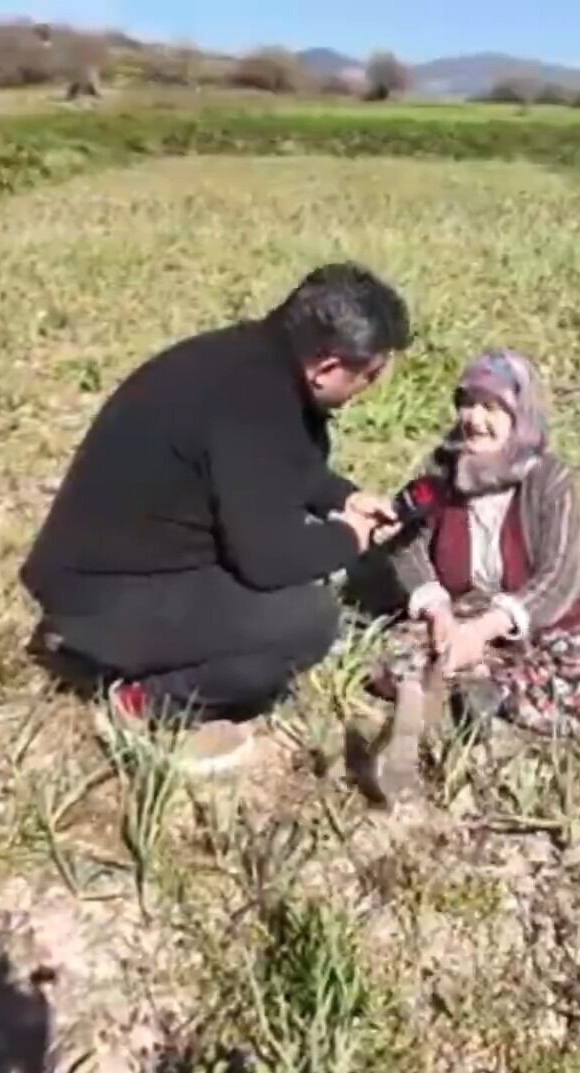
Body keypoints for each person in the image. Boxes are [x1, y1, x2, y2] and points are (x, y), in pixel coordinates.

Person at [21, 263, 410, 772]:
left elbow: (277, 467)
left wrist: (342, 499)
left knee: (299, 586)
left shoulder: (249, 362)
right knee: (306, 621)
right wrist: (349, 538)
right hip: (101, 600)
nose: (371, 387)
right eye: (371, 374)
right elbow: (268, 561)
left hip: (99, 571)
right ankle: (148, 705)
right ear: (327, 367)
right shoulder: (255, 406)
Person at [365, 350, 580, 795]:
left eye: (491, 407)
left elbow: (560, 573)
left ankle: (483, 692)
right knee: (395, 650)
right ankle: (451, 699)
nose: (474, 419)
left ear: (520, 415)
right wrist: (440, 611)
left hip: (544, 616)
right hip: (464, 612)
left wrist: (486, 629)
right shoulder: (440, 472)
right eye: (467, 403)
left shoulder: (551, 480)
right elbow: (406, 546)